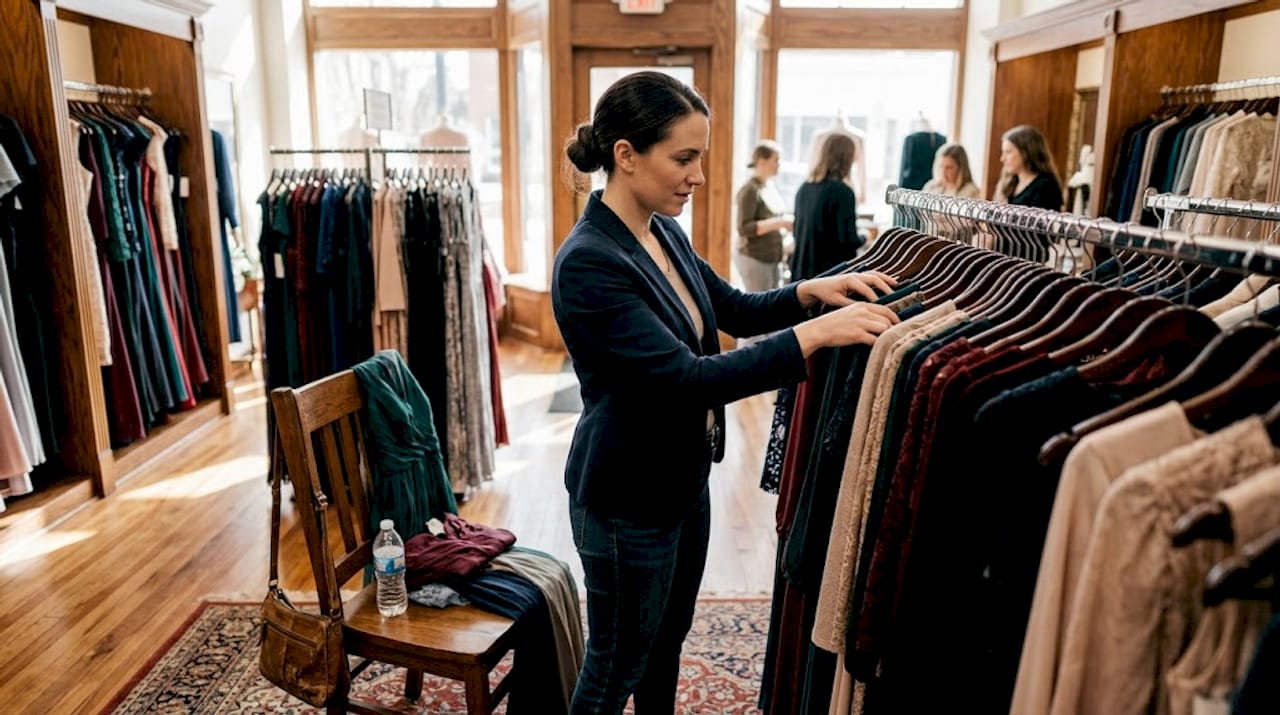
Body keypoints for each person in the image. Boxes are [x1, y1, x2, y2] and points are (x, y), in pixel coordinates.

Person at [552, 71, 899, 713]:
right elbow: (686, 380)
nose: (698, 176)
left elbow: (733, 309)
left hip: (681, 479)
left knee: (665, 643)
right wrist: (815, 336)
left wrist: (808, 293)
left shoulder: (661, 233)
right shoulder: (589, 261)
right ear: (625, 156)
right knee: (615, 664)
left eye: (701, 158)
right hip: (626, 497)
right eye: (683, 158)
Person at [789, 132, 863, 282]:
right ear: (847, 159)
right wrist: (866, 236)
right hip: (829, 278)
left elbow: (797, 232)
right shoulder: (843, 192)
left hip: (801, 274)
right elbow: (848, 241)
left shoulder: (804, 188)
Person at [735, 140, 792, 292]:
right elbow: (744, 228)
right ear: (761, 161)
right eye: (776, 160)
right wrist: (780, 222)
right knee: (759, 309)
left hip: (773, 259)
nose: (779, 165)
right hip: (756, 259)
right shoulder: (750, 191)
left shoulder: (769, 186)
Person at [997, 124, 1063, 211]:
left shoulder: (1046, 186)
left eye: (1008, 152)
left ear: (1026, 152)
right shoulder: (1010, 182)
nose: (1002, 159)